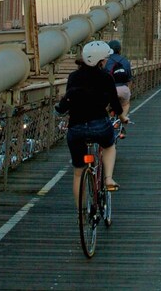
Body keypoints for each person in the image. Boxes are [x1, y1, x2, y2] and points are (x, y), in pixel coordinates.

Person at [55, 40, 122, 208]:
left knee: (78, 172)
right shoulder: (106, 77)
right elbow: (115, 104)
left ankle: (81, 213)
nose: (106, 61)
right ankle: (108, 179)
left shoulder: (73, 77)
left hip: (76, 128)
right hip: (100, 126)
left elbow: (67, 101)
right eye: (105, 59)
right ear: (100, 61)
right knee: (109, 145)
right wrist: (122, 117)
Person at [105, 40, 133, 138]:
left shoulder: (105, 61)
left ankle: (106, 123)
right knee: (125, 103)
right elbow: (130, 80)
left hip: (110, 90)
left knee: (105, 106)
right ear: (119, 50)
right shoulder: (125, 61)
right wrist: (129, 92)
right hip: (123, 89)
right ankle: (122, 121)